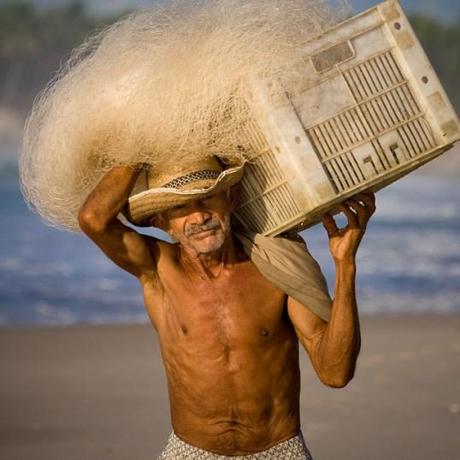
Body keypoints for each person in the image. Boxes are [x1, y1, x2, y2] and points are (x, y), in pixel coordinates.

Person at [78, 156, 376, 459]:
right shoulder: (158, 269)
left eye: (208, 197)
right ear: (162, 223)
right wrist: (137, 152)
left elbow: (336, 372)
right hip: (189, 452)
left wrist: (345, 264)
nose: (198, 217)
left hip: (280, 451)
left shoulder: (276, 268)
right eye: (180, 207)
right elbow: (94, 220)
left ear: (230, 198)